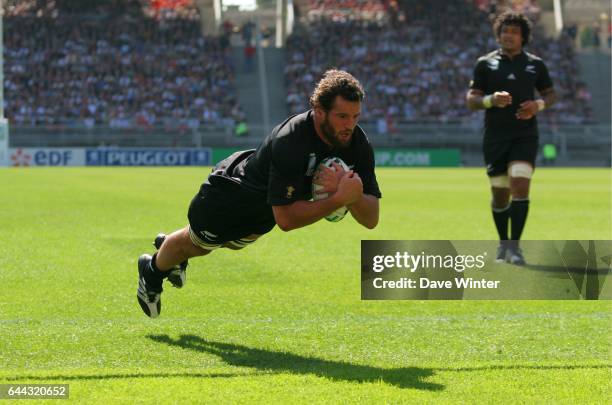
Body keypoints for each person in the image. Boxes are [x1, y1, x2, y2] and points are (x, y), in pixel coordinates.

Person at [137, 69, 382, 318]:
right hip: (231, 197)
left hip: (264, 212)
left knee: (227, 245)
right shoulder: (292, 139)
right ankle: (151, 270)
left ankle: (173, 250)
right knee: (198, 245)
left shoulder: (357, 144)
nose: (349, 125)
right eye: (342, 116)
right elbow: (286, 219)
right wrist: (340, 199)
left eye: (355, 116)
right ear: (319, 110)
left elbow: (371, 219)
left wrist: (356, 196)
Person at [466, 11, 556, 265]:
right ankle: (503, 244)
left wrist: (538, 105)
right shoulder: (485, 64)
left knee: (520, 185)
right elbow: (471, 100)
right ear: (499, 34)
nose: (509, 35)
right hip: (495, 136)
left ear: (523, 37)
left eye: (514, 32)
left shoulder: (536, 64)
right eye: (505, 31)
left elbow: (551, 94)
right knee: (499, 196)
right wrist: (490, 100)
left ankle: (515, 248)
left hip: (524, 135)